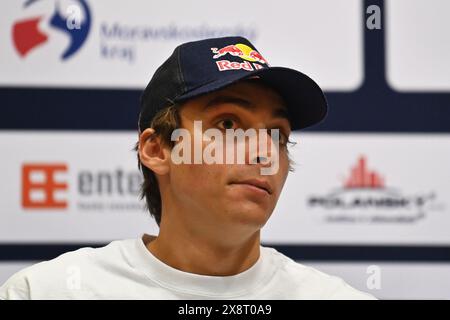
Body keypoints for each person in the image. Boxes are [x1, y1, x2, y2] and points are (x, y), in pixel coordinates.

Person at [0, 36, 375, 299]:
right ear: (157, 149)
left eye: (278, 134)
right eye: (229, 125)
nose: (265, 153)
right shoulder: (49, 292)